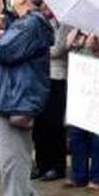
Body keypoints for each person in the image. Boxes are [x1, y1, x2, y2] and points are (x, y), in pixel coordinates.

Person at [0, 0, 54, 196]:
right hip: (10, 97)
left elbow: (3, 50)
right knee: (7, 153)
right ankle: (26, 195)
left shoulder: (31, 25)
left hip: (18, 99)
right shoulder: (26, 24)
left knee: (13, 157)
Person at [65, 29, 99, 191]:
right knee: (77, 134)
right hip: (79, 84)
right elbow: (67, 45)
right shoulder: (79, 28)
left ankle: (98, 178)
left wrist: (96, 47)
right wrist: (76, 33)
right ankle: (78, 175)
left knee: (97, 136)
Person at [32, 10, 69, 183]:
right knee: (40, 124)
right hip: (40, 76)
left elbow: (57, 49)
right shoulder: (40, 21)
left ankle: (57, 166)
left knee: (55, 124)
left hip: (57, 76)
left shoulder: (65, 23)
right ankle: (41, 164)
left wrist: (36, 47)